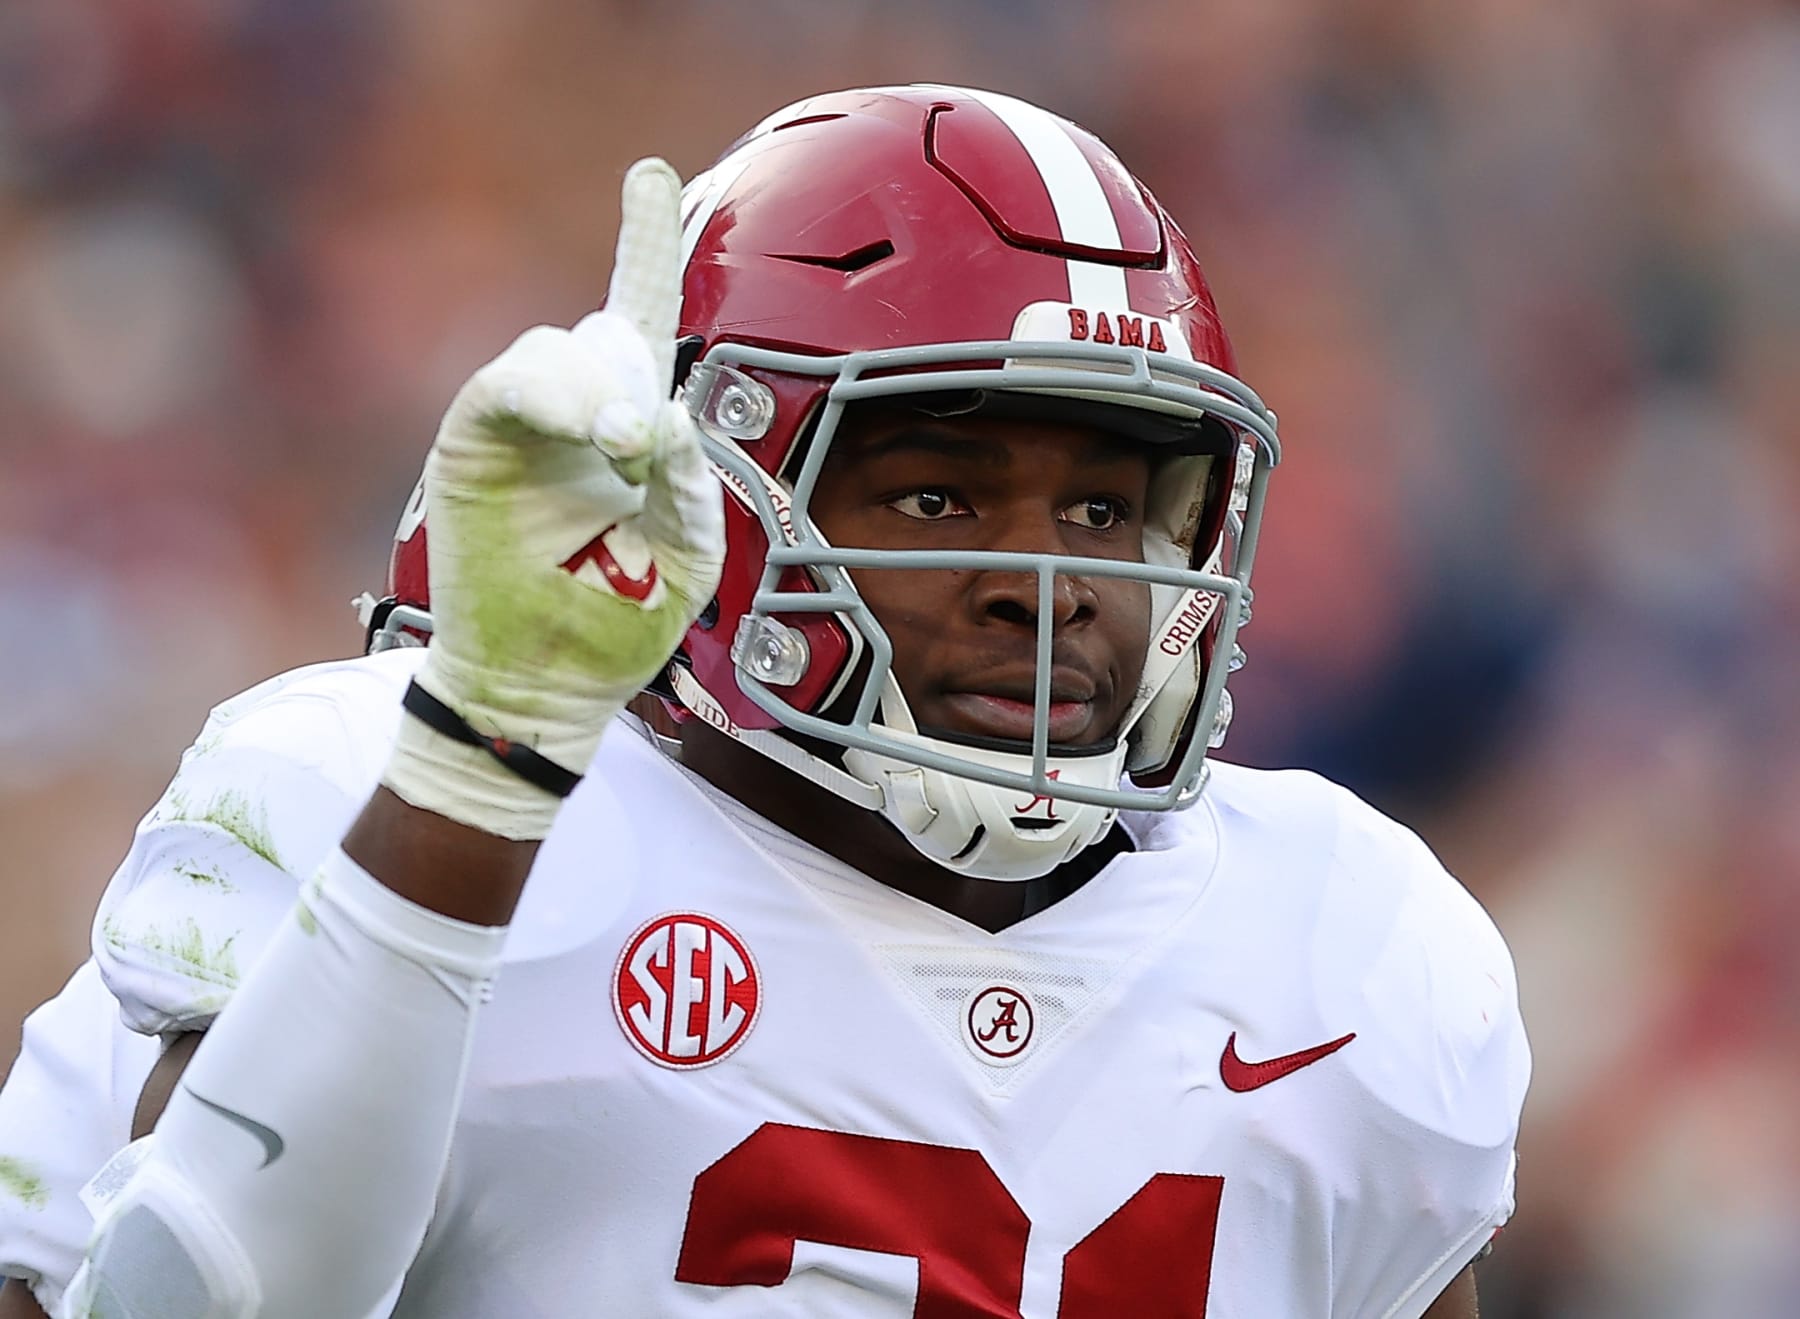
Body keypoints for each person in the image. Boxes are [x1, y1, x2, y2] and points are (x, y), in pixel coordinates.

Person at [0, 85, 1527, 1318]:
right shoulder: (378, 788)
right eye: (938, 496)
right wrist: (479, 771)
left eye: (1104, 513)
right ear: (717, 501)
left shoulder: (1347, 938)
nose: (1040, 584)